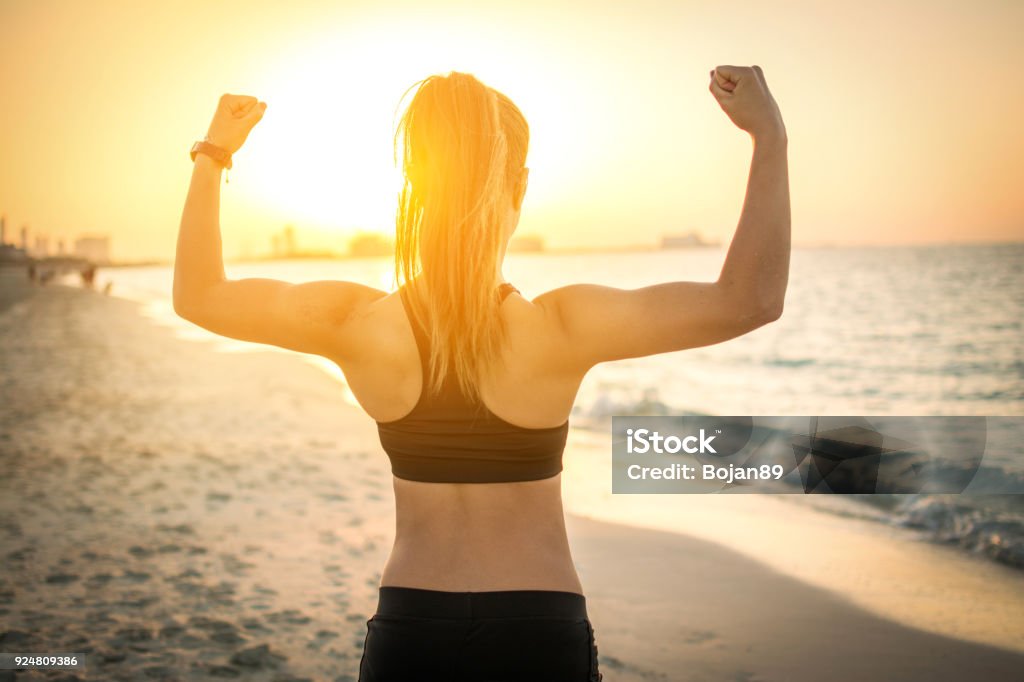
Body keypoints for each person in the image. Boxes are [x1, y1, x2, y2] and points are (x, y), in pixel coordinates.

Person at [173, 66, 789, 682]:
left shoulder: (355, 323)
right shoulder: (563, 327)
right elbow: (750, 298)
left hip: (411, 630)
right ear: (517, 187)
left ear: (414, 183)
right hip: (537, 630)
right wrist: (769, 138)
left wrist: (215, 151)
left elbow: (199, 294)